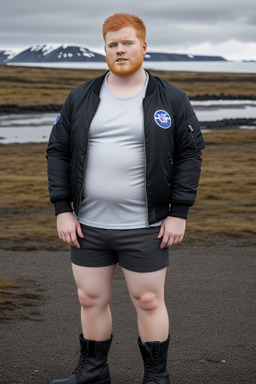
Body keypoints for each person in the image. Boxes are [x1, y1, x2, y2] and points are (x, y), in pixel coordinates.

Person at [46, 12, 205, 384]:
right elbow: (58, 150)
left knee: (148, 301)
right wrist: (62, 209)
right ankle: (93, 373)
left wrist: (179, 212)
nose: (119, 50)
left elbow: (190, 153)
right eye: (112, 44)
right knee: (89, 298)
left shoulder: (172, 98)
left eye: (127, 42)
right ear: (104, 50)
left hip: (146, 226)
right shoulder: (82, 96)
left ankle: (155, 377)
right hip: (87, 225)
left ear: (144, 47)